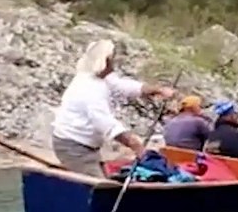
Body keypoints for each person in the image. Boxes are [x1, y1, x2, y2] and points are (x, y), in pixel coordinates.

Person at [51, 39, 176, 177]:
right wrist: (133, 143)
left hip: (85, 146)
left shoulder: (100, 78)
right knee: (99, 184)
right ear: (106, 61)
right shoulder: (90, 88)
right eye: (112, 59)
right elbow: (104, 122)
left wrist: (157, 90)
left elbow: (122, 86)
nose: (115, 62)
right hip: (73, 147)